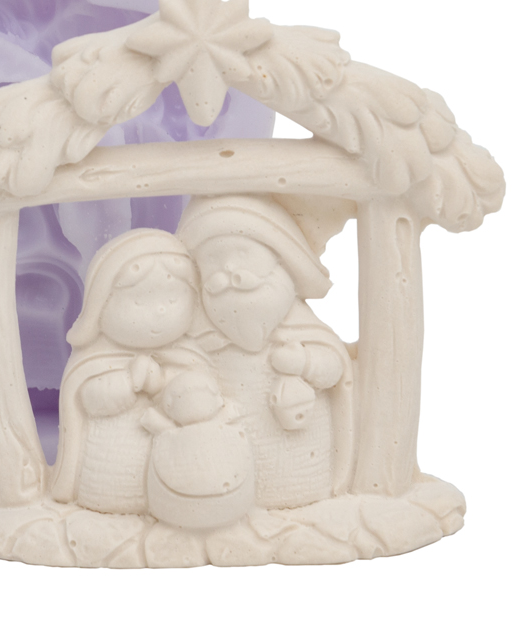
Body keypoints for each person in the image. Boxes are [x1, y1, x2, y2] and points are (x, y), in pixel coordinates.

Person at [177, 195, 353, 509]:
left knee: (296, 490)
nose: (228, 268)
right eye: (213, 258)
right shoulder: (199, 336)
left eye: (243, 253)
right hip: (224, 464)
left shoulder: (301, 328)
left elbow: (334, 368)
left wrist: (306, 363)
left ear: (279, 260)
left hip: (301, 457)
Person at [49, 229, 210, 514]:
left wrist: (163, 383)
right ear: (100, 305)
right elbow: (89, 400)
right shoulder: (94, 361)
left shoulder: (189, 357)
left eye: (173, 301)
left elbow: (203, 398)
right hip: (112, 459)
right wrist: (127, 383)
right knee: (115, 489)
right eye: (139, 302)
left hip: (176, 466)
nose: (160, 312)